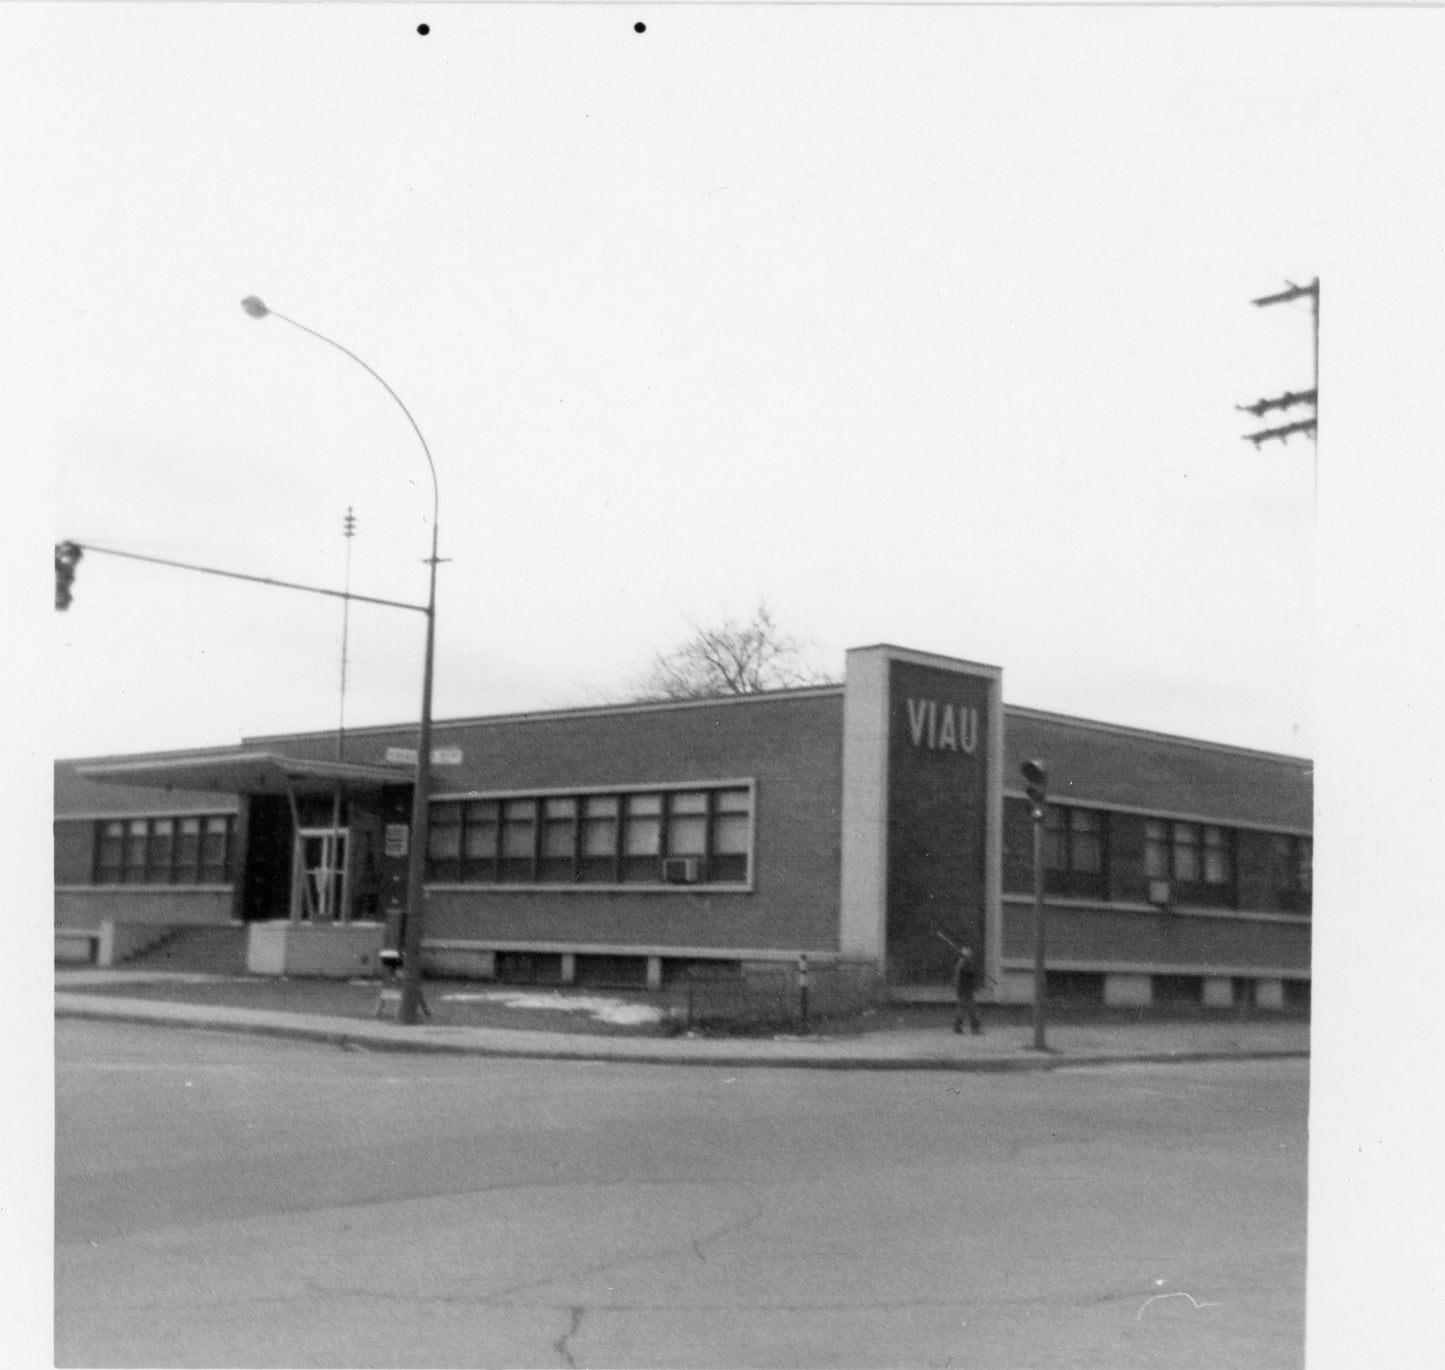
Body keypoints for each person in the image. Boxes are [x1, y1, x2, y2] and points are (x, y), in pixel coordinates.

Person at [952, 945, 982, 1035]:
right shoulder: (964, 964)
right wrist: (974, 969)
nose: (971, 955)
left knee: (963, 1008)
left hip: (963, 990)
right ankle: (974, 1028)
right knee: (971, 1009)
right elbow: (968, 975)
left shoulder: (963, 963)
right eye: (970, 954)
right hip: (964, 990)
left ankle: (957, 1027)